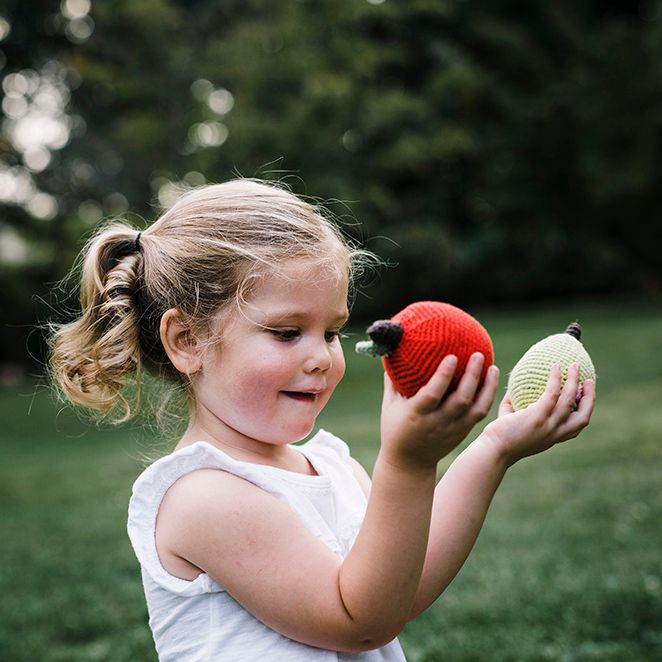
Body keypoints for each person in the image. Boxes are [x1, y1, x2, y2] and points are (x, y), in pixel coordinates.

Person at [49, 179, 595, 661]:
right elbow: (359, 622)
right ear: (187, 341)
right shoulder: (203, 497)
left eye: (332, 332)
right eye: (288, 332)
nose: (321, 357)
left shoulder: (329, 465)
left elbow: (399, 588)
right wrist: (407, 464)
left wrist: (494, 447)